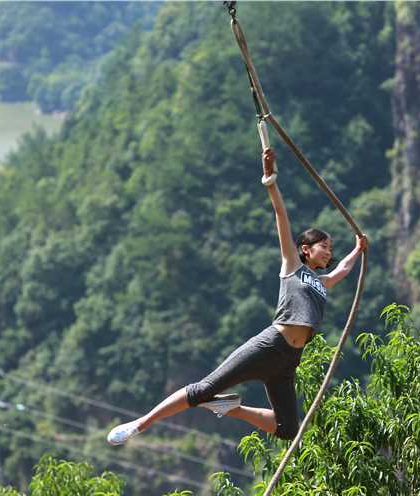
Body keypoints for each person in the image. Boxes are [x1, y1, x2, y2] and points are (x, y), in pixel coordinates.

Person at [108, 147, 368, 444]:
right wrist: (270, 179)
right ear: (306, 249)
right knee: (203, 390)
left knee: (287, 429)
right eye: (325, 246)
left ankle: (232, 407)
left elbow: (343, 271)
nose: (330, 253)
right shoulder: (292, 266)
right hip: (270, 345)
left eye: (331, 249)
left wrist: (357, 250)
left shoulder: (321, 282)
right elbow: (281, 215)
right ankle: (141, 423)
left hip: (289, 359)